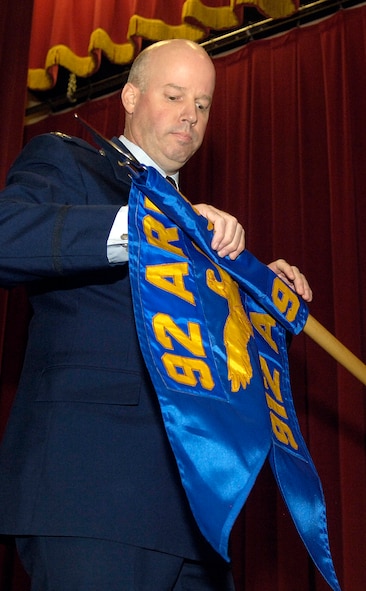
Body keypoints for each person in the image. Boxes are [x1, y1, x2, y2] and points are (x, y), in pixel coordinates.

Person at [0, 39, 312, 591]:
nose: (190, 114)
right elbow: (7, 236)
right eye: (174, 95)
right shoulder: (66, 161)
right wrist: (148, 229)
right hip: (91, 496)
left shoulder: (202, 230)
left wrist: (262, 295)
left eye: (204, 103)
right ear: (129, 96)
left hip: (198, 518)